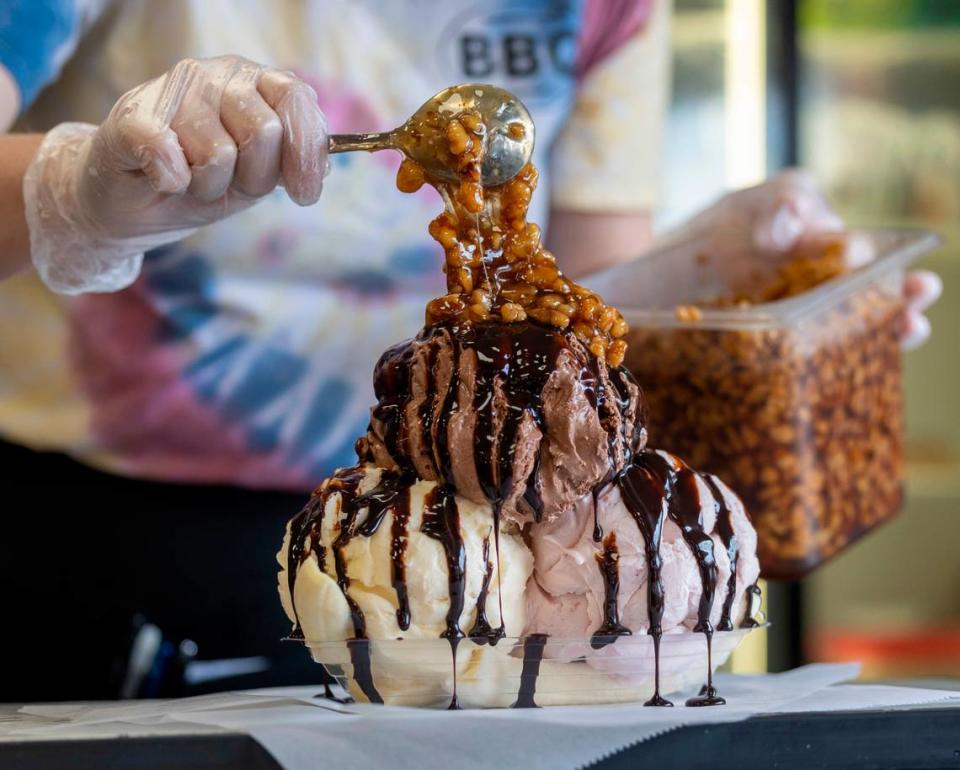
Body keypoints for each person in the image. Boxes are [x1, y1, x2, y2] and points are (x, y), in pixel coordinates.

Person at [0, 1, 940, 701]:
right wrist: (74, 193)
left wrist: (722, 273)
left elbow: (582, 309)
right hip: (95, 536)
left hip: (456, 564)